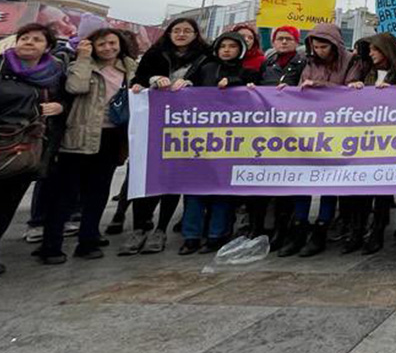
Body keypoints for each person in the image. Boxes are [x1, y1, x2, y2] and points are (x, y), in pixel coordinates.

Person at [37, 28, 135, 263]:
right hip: (79, 136)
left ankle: (88, 239)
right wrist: (82, 58)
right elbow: (76, 87)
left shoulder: (130, 68)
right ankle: (51, 245)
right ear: (92, 46)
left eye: (112, 43)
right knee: (65, 194)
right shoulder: (81, 65)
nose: (108, 48)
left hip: (111, 137)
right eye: (101, 44)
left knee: (98, 192)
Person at [122, 17, 209, 256]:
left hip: (185, 126)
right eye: (176, 30)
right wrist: (150, 81)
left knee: (173, 178)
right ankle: (139, 228)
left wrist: (191, 84)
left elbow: (208, 85)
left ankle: (161, 229)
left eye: (187, 31)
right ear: (169, 33)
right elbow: (137, 80)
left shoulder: (205, 56)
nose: (181, 34)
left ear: (195, 34)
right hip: (154, 124)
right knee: (146, 175)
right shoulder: (155, 53)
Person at [278, 23, 361, 258]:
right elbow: (302, 88)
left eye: (324, 46)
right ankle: (299, 228)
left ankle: (321, 230)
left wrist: (320, 86)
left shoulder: (351, 61)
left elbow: (350, 90)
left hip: (338, 130)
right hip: (310, 129)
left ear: (334, 45)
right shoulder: (309, 61)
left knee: (329, 181)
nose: (319, 50)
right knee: (303, 178)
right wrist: (289, 90)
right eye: (315, 46)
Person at [179, 32, 256, 255]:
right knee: (194, 189)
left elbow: (255, 88)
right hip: (200, 137)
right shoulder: (205, 67)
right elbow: (189, 85)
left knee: (222, 189)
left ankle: (216, 235)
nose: (227, 50)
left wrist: (234, 82)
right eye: (223, 46)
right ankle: (191, 236)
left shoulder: (246, 71)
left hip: (231, 139)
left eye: (233, 46)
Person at [0, 23, 65, 275]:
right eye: (24, 37)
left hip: (28, 148)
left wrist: (60, 107)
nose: (28, 42)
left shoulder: (56, 73)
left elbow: (68, 100)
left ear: (47, 47)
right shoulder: (2, 65)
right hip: (4, 138)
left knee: (7, 204)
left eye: (36, 39)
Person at [344, 32, 396, 255]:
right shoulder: (365, 72)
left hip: (389, 140)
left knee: (381, 190)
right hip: (364, 139)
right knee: (359, 189)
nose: (371, 53)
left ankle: (378, 231)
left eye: (375, 49)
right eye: (370, 50)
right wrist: (354, 88)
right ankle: (357, 230)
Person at [245, 26, 306, 246]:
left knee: (285, 179)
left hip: (291, 129)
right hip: (265, 129)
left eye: (288, 39)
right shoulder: (267, 63)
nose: (283, 42)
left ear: (296, 41)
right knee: (262, 179)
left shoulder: (302, 63)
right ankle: (257, 226)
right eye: (279, 38)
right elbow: (257, 83)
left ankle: (282, 227)